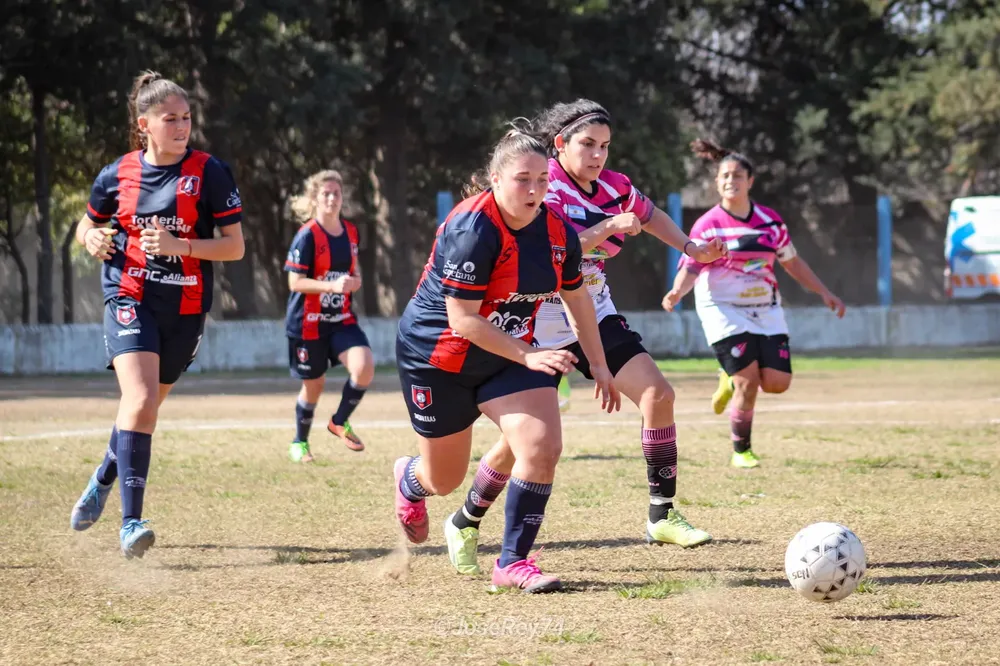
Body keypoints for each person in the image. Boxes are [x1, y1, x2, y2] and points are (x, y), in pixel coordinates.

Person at [442, 100, 728, 577]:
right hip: (534, 319)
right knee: (522, 446)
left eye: (605, 147)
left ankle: (661, 513)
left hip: (590, 308)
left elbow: (651, 213)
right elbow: (551, 248)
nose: (598, 155)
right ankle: (466, 519)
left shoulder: (614, 186)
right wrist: (606, 228)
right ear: (561, 145)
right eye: (588, 144)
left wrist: (691, 247)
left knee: (659, 394)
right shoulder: (542, 183)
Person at [393, 124, 621, 593]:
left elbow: (577, 298)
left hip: (508, 354)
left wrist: (598, 364)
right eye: (523, 179)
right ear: (495, 179)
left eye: (542, 179)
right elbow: (463, 321)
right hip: (439, 358)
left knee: (541, 445)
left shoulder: (557, 231)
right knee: (444, 479)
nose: (535, 189)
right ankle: (411, 480)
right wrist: (530, 352)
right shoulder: (472, 228)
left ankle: (512, 561)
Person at [69, 71, 245, 558]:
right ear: (144, 123)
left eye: (186, 117)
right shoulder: (117, 173)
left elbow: (234, 248)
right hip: (129, 297)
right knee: (141, 397)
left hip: (186, 308)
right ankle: (131, 523)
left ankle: (104, 474)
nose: (182, 126)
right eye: (170, 119)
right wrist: (91, 238)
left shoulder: (210, 172)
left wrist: (179, 245)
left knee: (144, 409)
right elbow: (88, 222)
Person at [662, 139, 846, 468]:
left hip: (766, 307)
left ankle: (727, 376)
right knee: (748, 382)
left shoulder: (770, 222)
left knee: (777, 383)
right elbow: (692, 265)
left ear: (750, 181)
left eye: (737, 175)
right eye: (724, 177)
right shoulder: (708, 224)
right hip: (722, 307)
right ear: (717, 183)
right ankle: (741, 451)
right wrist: (677, 292)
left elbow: (792, 263)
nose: (730, 181)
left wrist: (824, 292)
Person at [284, 170, 374, 462]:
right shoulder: (307, 236)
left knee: (364, 367)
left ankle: (339, 421)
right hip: (308, 323)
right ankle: (300, 443)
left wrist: (354, 281)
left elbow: (354, 271)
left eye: (337, 193)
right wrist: (330, 285)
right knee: (314, 385)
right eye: (326, 193)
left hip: (341, 319)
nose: (332, 198)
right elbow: (294, 283)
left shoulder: (350, 232)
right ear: (315, 198)